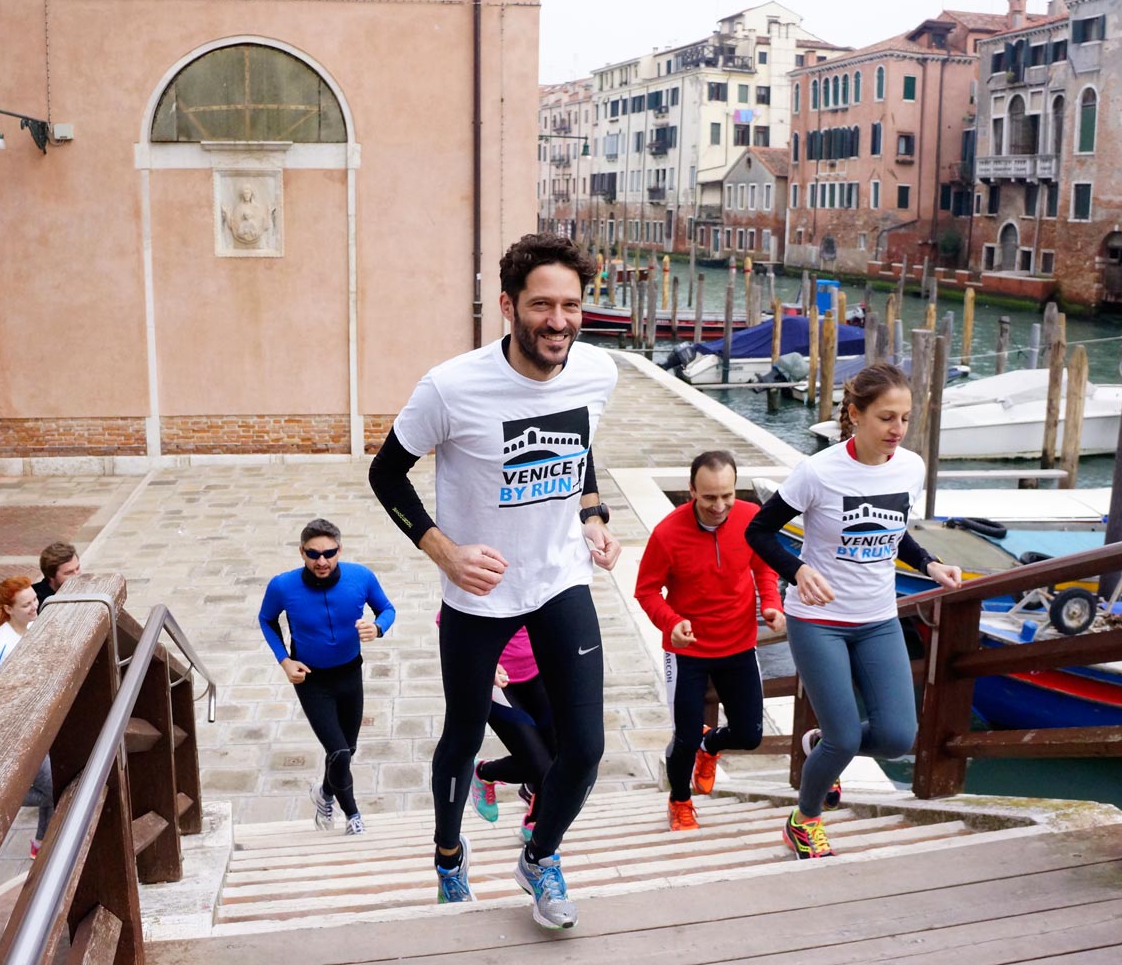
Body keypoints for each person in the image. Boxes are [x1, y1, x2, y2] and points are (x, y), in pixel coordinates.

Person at [369, 232, 618, 930]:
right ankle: (449, 854)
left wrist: (592, 513)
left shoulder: (598, 372)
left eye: (571, 304)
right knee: (463, 735)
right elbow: (385, 473)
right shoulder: (451, 386)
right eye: (543, 304)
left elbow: (581, 438)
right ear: (508, 306)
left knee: (588, 748)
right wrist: (442, 550)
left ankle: (540, 855)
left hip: (559, 578)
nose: (559, 320)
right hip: (478, 594)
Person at [745, 362, 962, 859]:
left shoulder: (910, 467)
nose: (898, 430)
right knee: (844, 738)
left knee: (896, 736)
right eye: (887, 418)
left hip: (879, 618)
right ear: (855, 414)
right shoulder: (818, 472)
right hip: (818, 621)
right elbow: (758, 531)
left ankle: (825, 745)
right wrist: (797, 570)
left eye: (905, 418)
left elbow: (892, 531)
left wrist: (929, 564)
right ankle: (805, 819)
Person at [635, 450, 784, 832]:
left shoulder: (752, 518)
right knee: (684, 737)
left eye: (727, 496)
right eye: (709, 497)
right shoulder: (667, 534)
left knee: (750, 735)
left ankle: (711, 745)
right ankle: (680, 801)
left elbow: (764, 565)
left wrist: (770, 602)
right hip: (687, 652)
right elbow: (646, 592)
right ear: (691, 492)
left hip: (738, 644)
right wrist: (672, 623)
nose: (720, 506)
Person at [258, 519, 395, 836]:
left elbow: (387, 609)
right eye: (313, 554)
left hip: (350, 674)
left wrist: (378, 628)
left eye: (329, 553)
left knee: (347, 750)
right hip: (312, 680)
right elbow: (267, 620)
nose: (322, 561)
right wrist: (284, 660)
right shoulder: (283, 586)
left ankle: (323, 793)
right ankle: (353, 815)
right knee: (338, 752)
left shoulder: (360, 576)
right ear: (302, 552)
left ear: (339, 550)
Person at [0, 575, 54, 858]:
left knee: (56, 785)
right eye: (26, 604)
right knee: (54, 788)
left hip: (37, 720)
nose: (34, 607)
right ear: (9, 609)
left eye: (34, 600)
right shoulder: (2, 646)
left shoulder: (33, 626)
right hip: (15, 730)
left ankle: (41, 844)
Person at [471, 627, 555, 844]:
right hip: (497, 679)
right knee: (540, 764)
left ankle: (536, 819)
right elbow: (448, 622)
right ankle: (483, 772)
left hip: (540, 669)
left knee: (557, 757)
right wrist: (480, 662)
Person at [32, 542, 80, 606]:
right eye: (69, 573)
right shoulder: (36, 603)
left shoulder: (84, 588)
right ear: (51, 575)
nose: (77, 575)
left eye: (77, 568)